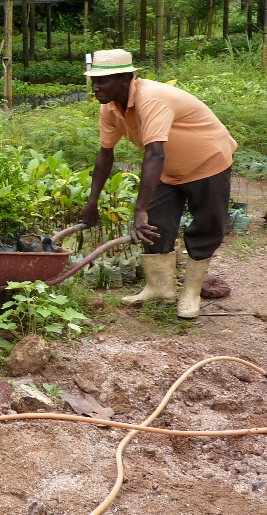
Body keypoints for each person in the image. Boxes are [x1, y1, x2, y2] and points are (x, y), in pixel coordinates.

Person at [80, 49, 237, 319]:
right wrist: (91, 203)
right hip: (168, 170)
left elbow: (155, 153)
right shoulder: (110, 109)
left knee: (206, 225)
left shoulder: (151, 98)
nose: (95, 87)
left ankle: (190, 294)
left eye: (102, 81)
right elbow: (105, 155)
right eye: (93, 80)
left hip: (207, 162)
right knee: (155, 225)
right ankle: (160, 289)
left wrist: (139, 208)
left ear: (125, 79)